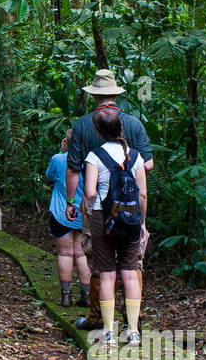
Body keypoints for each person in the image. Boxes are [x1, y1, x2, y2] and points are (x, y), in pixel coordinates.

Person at [63, 69, 154, 329]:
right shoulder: (134, 123)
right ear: (115, 94)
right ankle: (131, 322)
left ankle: (98, 319)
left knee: (99, 261)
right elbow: (147, 165)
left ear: (94, 97)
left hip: (96, 207)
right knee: (132, 261)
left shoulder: (82, 125)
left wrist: (71, 202)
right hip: (131, 205)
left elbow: (72, 168)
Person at [83, 106, 148, 348]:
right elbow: (142, 195)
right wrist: (142, 223)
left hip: (103, 219)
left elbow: (90, 192)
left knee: (107, 274)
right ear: (120, 128)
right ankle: (133, 332)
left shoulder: (94, 157)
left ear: (99, 131)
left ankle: (108, 332)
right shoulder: (135, 156)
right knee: (130, 274)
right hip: (131, 219)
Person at [45, 134, 90, 306]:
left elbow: (50, 176)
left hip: (60, 213)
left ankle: (66, 296)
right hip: (82, 214)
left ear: (66, 142)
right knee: (81, 253)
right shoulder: (89, 161)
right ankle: (86, 296)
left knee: (64, 253)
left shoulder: (57, 159)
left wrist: (63, 152)